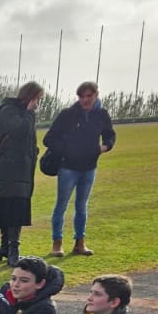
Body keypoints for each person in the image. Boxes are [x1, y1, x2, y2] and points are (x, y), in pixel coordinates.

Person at [42, 82, 116, 259]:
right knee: (61, 205)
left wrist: (104, 147)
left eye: (89, 96)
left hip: (89, 168)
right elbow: (49, 138)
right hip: (68, 168)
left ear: (96, 95)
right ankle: (57, 243)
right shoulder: (67, 115)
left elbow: (110, 134)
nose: (85, 100)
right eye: (82, 96)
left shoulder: (102, 115)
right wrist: (65, 150)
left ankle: (80, 242)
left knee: (82, 206)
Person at [0, 81, 44, 264]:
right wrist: (28, 112)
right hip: (10, 168)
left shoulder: (17, 112)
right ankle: (12, 248)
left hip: (21, 168)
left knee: (12, 206)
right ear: (30, 97)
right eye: (37, 99)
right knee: (12, 207)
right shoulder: (9, 111)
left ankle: (5, 247)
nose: (37, 104)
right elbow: (20, 131)